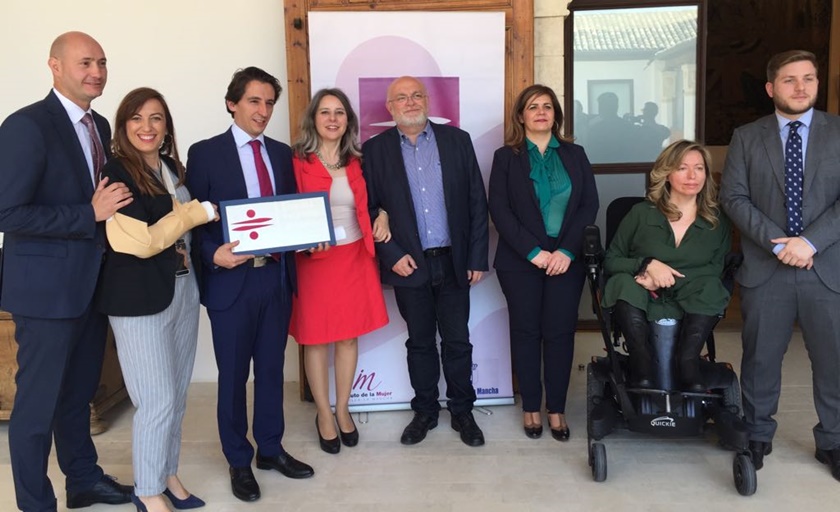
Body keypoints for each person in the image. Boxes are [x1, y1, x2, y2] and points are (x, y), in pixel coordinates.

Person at [0, 31, 134, 511]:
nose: (96, 72)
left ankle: (82, 480)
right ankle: (35, 503)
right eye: (85, 62)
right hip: (46, 295)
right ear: (54, 66)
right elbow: (7, 212)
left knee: (79, 396)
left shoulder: (99, 124)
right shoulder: (26, 125)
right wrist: (86, 214)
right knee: (36, 409)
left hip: (91, 286)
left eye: (102, 62)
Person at [186, 67, 314, 503]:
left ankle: (271, 450)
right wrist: (212, 254)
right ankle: (239, 460)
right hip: (231, 281)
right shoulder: (205, 153)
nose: (263, 111)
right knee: (234, 376)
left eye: (269, 103)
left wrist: (307, 234)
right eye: (254, 101)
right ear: (232, 103)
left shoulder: (280, 153)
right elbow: (194, 221)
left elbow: (289, 212)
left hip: (274, 277)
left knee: (272, 370)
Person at [720, 49, 840, 480]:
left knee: (833, 360)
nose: (801, 87)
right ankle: (756, 434)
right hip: (767, 268)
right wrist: (780, 245)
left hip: (826, 268)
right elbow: (733, 197)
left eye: (809, 78)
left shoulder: (838, 132)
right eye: (790, 79)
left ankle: (833, 440)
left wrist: (809, 242)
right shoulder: (746, 137)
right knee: (760, 358)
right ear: (772, 88)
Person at [95, 88, 217, 512]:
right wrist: (192, 214)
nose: (146, 127)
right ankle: (147, 489)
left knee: (176, 395)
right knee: (156, 399)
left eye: (156, 118)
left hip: (182, 291)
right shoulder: (116, 173)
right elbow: (138, 243)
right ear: (123, 126)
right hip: (138, 301)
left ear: (167, 127)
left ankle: (167, 472)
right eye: (137, 118)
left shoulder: (171, 168)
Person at [362, 76, 489, 447]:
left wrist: (476, 257)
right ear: (390, 107)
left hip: (454, 261)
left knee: (457, 341)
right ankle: (425, 412)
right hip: (408, 264)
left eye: (417, 95)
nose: (411, 102)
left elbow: (476, 202)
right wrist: (391, 255)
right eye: (402, 98)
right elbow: (367, 208)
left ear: (428, 101)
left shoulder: (457, 141)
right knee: (419, 343)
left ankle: (462, 412)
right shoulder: (374, 151)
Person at [488, 84, 599, 441]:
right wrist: (533, 252)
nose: (540, 112)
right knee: (526, 332)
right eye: (533, 106)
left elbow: (589, 204)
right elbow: (499, 209)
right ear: (521, 116)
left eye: (547, 106)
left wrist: (566, 251)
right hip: (520, 261)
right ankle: (531, 407)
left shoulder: (575, 154)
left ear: (556, 115)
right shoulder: (506, 157)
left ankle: (556, 409)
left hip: (566, 261)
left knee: (560, 334)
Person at [289, 88, 390, 453]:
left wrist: (383, 215)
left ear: (348, 120)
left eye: (339, 113)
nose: (332, 119)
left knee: (348, 337)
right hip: (315, 262)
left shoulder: (359, 160)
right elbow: (284, 210)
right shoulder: (295, 161)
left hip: (355, 257)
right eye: (325, 112)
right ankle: (323, 413)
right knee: (316, 339)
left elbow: (379, 199)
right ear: (313, 119)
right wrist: (303, 240)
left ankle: (343, 409)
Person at [603, 140, 730, 392]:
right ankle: (641, 364)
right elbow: (612, 260)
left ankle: (688, 363)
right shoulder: (641, 213)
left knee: (711, 286)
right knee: (621, 283)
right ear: (667, 173)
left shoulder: (716, 220)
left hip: (692, 295)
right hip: (641, 292)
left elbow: (716, 268)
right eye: (682, 168)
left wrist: (667, 278)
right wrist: (647, 266)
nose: (692, 176)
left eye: (699, 168)